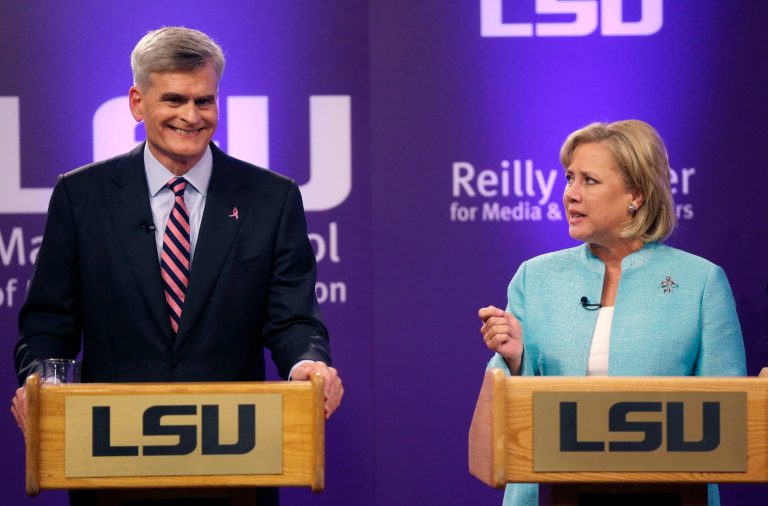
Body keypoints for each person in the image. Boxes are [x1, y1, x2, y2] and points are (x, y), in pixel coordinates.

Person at [11, 27, 343, 505]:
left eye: (204, 101)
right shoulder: (81, 196)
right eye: (173, 100)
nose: (191, 116)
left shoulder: (272, 199)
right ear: (136, 102)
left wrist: (308, 364)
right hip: (110, 462)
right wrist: (44, 382)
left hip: (234, 463)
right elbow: (48, 321)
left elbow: (293, 317)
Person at [478, 119, 746, 506]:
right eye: (569, 179)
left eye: (589, 181)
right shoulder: (535, 278)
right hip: (550, 494)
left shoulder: (701, 282)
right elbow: (507, 415)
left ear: (635, 194)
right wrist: (516, 359)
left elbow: (731, 420)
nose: (570, 194)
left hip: (667, 494)